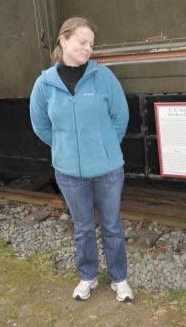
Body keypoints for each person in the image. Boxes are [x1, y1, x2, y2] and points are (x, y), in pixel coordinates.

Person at [30, 16, 134, 302]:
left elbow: (120, 117)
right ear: (63, 41)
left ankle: (119, 279)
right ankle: (87, 277)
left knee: (112, 226)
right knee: (83, 227)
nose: (88, 48)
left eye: (91, 44)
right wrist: (65, 147)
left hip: (108, 169)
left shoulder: (104, 78)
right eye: (82, 42)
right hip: (68, 172)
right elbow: (40, 125)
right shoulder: (45, 84)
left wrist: (102, 147)